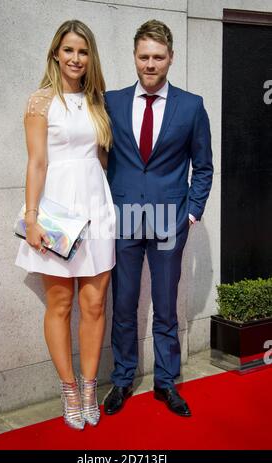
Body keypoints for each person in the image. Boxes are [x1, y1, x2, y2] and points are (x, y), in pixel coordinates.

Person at [104, 20, 213, 417]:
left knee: (166, 307)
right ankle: (122, 378)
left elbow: (203, 167)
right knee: (125, 304)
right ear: (134, 57)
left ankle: (167, 382)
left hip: (170, 218)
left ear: (171, 58)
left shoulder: (191, 105)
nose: (150, 65)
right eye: (144, 57)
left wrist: (193, 213)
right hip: (125, 216)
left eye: (158, 57)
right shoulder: (111, 102)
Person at [15, 20, 115, 430]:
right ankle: (69, 389)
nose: (76, 58)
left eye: (83, 51)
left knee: (94, 304)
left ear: (91, 57)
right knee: (60, 304)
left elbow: (103, 159)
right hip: (56, 213)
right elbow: (37, 162)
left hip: (97, 207)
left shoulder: (96, 101)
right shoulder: (41, 101)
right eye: (69, 50)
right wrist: (32, 217)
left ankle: (90, 387)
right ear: (56, 52)